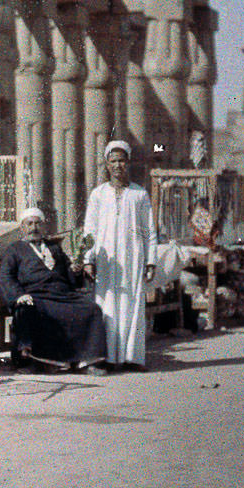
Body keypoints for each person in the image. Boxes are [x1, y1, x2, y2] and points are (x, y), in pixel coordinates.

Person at [0, 207, 107, 374]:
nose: (33, 228)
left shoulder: (55, 248)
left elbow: (69, 276)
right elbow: (6, 277)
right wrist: (18, 295)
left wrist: (75, 270)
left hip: (62, 295)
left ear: (43, 227)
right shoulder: (14, 250)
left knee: (92, 309)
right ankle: (38, 363)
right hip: (35, 296)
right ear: (22, 227)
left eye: (37, 224)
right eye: (29, 224)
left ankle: (87, 362)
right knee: (27, 310)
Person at [83, 140, 157, 371]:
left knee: (131, 304)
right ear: (106, 164)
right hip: (106, 259)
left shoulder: (139, 194)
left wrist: (151, 260)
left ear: (129, 162)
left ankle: (131, 358)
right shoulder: (98, 194)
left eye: (121, 160)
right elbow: (90, 230)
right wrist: (88, 259)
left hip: (132, 257)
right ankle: (104, 357)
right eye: (113, 161)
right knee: (106, 306)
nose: (117, 165)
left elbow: (149, 231)